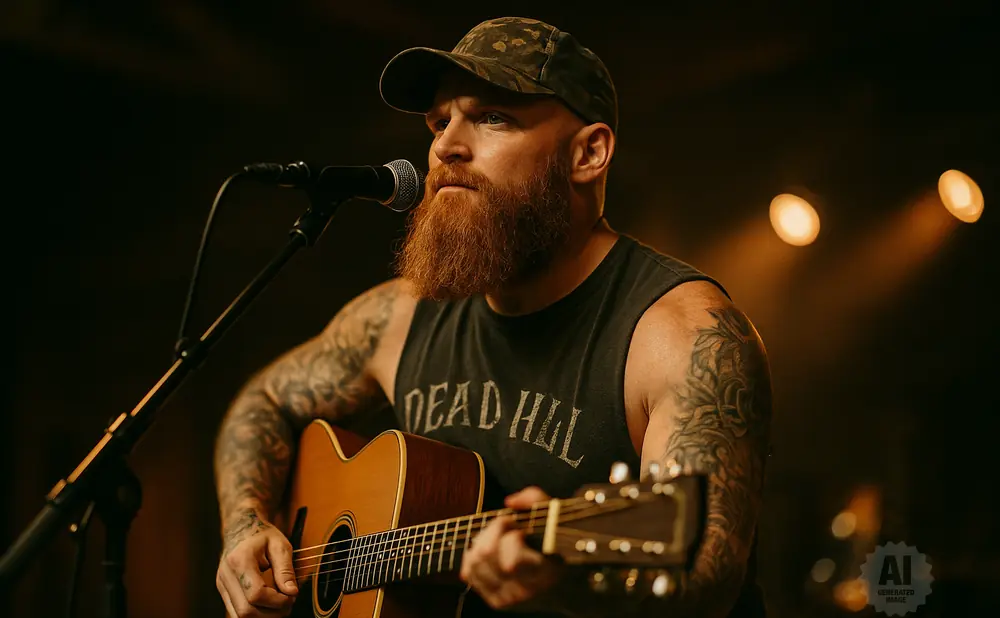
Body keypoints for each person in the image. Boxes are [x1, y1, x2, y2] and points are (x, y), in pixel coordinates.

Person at [212, 15, 773, 618]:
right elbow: (261, 403)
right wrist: (246, 524)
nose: (445, 145)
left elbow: (704, 577)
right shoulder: (399, 317)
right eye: (439, 121)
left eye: (491, 117)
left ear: (589, 153)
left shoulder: (684, 336)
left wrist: (568, 588)